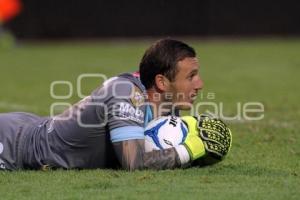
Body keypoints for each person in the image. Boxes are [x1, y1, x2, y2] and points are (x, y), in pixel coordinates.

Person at [0, 39, 231, 171]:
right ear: (161, 82)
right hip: (14, 145)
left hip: (31, 125)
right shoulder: (125, 93)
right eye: (191, 76)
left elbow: (158, 152)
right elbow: (133, 163)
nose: (200, 84)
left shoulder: (167, 102)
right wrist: (189, 149)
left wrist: (207, 151)